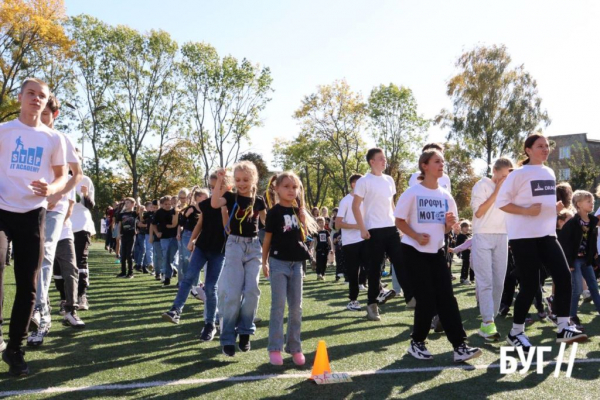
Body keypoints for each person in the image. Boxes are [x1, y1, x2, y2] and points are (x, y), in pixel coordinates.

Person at [0, 78, 67, 376]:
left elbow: (63, 176)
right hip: (1, 211)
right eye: (31, 93)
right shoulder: (4, 132)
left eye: (42, 96)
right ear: (20, 97)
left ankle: (15, 348)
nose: (36, 99)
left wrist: (51, 188)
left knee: (28, 285)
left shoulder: (53, 139)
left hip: (32, 216)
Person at [496, 133, 587, 352]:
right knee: (529, 285)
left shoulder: (549, 172)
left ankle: (563, 327)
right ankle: (516, 332)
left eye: (547, 146)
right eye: (540, 146)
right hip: (523, 236)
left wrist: (553, 211)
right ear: (528, 150)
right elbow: (502, 203)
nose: (546, 149)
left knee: (564, 277)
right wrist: (526, 211)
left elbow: (542, 204)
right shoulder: (517, 174)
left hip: (547, 234)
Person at [395, 149, 482, 362]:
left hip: (437, 252)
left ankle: (460, 347)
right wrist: (416, 235)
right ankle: (417, 343)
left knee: (447, 299)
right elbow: (398, 221)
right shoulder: (412, 193)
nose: (442, 165)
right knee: (426, 299)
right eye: (437, 161)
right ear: (425, 166)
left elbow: (445, 230)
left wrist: (449, 224)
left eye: (442, 161)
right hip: (413, 251)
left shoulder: (446, 196)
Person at [29, 94, 83, 345]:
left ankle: (41, 311)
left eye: (46, 115)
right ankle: (37, 311)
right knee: (29, 261)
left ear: (55, 115)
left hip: (54, 207)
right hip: (27, 207)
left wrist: (57, 194)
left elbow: (77, 174)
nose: (40, 119)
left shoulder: (62, 138)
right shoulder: (26, 136)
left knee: (46, 254)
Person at [162, 174, 231, 341]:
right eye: (212, 186)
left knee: (210, 287)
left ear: (227, 187)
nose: (214, 190)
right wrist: (192, 239)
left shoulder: (231, 204)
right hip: (201, 247)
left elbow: (228, 229)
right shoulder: (205, 205)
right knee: (188, 278)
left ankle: (210, 324)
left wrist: (223, 210)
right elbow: (200, 223)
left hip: (218, 251)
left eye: (218, 186)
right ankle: (176, 310)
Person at [211, 161, 267, 357]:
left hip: (253, 247)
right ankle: (227, 338)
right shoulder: (230, 196)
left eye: (245, 179)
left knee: (252, 290)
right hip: (234, 245)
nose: (241, 183)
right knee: (233, 294)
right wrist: (219, 181)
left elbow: (266, 223)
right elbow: (215, 203)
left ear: (254, 180)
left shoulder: (259, 200)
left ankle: (245, 331)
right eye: (238, 180)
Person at [262, 172, 318, 366]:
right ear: (276, 188)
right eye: (286, 186)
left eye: (294, 187)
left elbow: (303, 239)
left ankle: (294, 347)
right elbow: (267, 239)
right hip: (278, 263)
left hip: (297, 264)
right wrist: (264, 262)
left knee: (296, 308)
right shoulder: (274, 212)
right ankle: (274, 348)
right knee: (278, 306)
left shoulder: (298, 211)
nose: (291, 190)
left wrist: (303, 221)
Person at [352, 148, 398, 321]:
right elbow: (356, 206)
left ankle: (413, 298)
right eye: (381, 159)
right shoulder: (364, 181)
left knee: (401, 262)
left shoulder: (389, 180)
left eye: (384, 158)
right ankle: (372, 304)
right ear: (372, 162)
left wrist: (398, 224)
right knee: (375, 269)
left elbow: (392, 205)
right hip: (374, 230)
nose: (384, 161)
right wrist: (362, 228)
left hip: (391, 228)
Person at [470, 157, 513, 341]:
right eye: (501, 176)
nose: (503, 180)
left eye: (507, 177)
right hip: (482, 236)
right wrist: (497, 191)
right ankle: (487, 322)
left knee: (499, 282)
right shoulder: (481, 186)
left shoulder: (510, 189)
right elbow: (479, 212)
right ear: (494, 171)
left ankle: (490, 320)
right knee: (485, 281)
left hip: (502, 236)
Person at [558, 190, 600, 330]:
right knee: (576, 289)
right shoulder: (573, 223)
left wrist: (593, 258)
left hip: (586, 260)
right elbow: (564, 243)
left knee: (594, 286)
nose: (591, 203)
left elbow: (592, 242)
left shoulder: (593, 221)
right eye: (588, 201)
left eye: (592, 201)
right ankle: (571, 316)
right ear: (578, 204)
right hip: (574, 260)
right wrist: (568, 262)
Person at [49, 186, 85, 329]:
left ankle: (71, 311)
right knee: (37, 272)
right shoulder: (38, 173)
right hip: (39, 232)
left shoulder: (68, 180)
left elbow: (69, 209)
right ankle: (38, 311)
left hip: (63, 234)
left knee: (71, 271)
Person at [335, 174, 367, 311]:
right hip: (350, 243)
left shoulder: (366, 200)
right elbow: (337, 224)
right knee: (354, 272)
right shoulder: (346, 201)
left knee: (372, 266)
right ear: (354, 184)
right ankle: (353, 301)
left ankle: (378, 292)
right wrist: (357, 226)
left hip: (365, 239)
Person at [71, 159, 96, 310]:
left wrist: (85, 195)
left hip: (82, 225)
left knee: (81, 261)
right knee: (61, 263)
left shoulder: (86, 179)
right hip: (63, 225)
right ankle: (65, 299)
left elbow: (90, 205)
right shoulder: (58, 176)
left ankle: (81, 295)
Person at [152, 196, 178, 286]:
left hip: (174, 237)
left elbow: (177, 224)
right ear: (162, 204)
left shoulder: (175, 211)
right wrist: (157, 232)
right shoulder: (159, 213)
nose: (168, 206)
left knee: (172, 257)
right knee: (166, 255)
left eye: (169, 204)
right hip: (164, 237)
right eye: (166, 204)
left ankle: (171, 270)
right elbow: (153, 224)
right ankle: (167, 277)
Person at [115, 198, 138, 278]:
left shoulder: (134, 213)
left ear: (133, 204)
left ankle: (130, 272)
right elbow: (119, 225)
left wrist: (137, 201)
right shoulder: (122, 214)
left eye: (128, 203)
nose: (126, 204)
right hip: (123, 235)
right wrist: (118, 234)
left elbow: (140, 210)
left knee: (129, 254)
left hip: (131, 235)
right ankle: (123, 272)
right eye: (125, 203)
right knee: (123, 254)